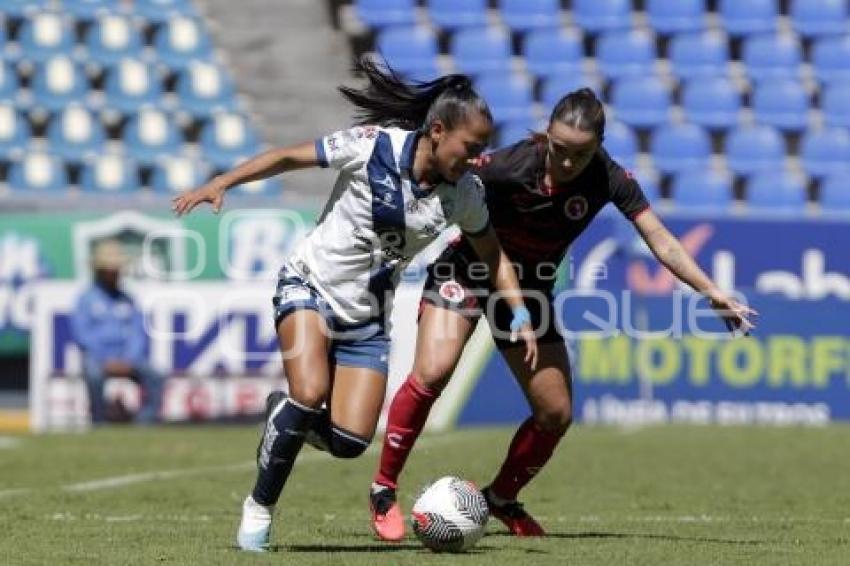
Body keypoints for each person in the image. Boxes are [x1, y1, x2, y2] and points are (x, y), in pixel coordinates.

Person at [171, 59, 538, 552]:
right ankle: (259, 510)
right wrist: (221, 183)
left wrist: (518, 310)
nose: (476, 159)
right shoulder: (373, 146)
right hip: (309, 286)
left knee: (349, 442)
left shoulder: (465, 194)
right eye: (470, 148)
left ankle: (285, 417)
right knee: (309, 390)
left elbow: (492, 254)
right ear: (437, 131)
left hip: (367, 321)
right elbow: (286, 157)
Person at [367, 88, 758, 541]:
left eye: (581, 154)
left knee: (555, 413)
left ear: (599, 146)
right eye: (559, 149)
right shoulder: (509, 166)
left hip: (529, 293)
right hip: (470, 270)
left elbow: (661, 239)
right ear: (546, 136)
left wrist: (710, 291)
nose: (567, 163)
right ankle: (383, 489)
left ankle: (500, 499)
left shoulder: (610, 179)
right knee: (432, 372)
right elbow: (442, 176)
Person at [70, 239, 165, 425]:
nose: (115, 274)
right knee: (94, 375)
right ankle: (99, 420)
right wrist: (105, 359)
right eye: (110, 269)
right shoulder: (86, 299)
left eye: (117, 269)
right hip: (98, 359)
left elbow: (137, 333)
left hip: (127, 358)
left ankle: (144, 421)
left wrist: (129, 359)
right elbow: (82, 335)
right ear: (100, 271)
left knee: (156, 375)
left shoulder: (127, 300)